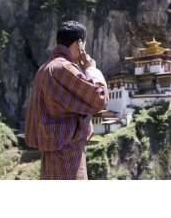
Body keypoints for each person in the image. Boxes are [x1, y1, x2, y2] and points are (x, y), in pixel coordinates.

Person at [25, 20, 109, 180]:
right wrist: (91, 69)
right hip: (68, 154)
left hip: (50, 153)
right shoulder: (63, 68)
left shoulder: (43, 69)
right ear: (79, 44)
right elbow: (100, 99)